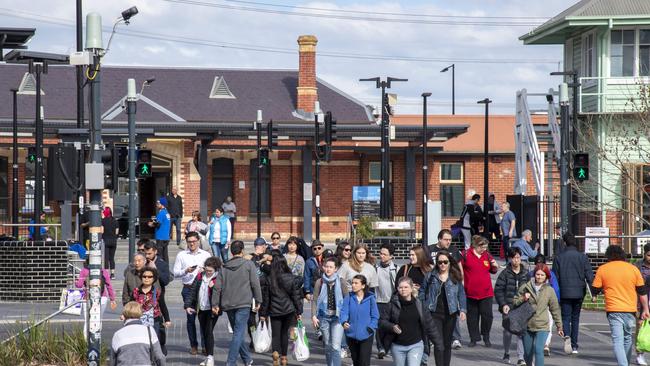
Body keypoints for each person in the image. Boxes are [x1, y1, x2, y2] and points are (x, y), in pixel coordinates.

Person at [592, 244, 650, 366]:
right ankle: (625, 363)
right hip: (630, 309)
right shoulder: (633, 269)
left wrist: (597, 294)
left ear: (608, 256)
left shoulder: (603, 269)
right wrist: (645, 309)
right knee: (628, 337)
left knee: (618, 339)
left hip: (613, 309)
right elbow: (642, 291)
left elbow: (595, 289)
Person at [213, 240, 263, 366]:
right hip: (244, 303)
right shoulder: (248, 264)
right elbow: (255, 284)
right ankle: (230, 362)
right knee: (238, 333)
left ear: (231, 251)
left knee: (237, 332)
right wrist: (259, 300)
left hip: (228, 304)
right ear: (242, 250)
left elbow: (217, 287)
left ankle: (247, 359)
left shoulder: (224, 267)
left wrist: (215, 304)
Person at [513, 263, 564, 366]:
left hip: (542, 325)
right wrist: (523, 298)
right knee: (528, 353)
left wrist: (559, 326)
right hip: (527, 324)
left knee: (538, 350)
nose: (539, 277)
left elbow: (555, 309)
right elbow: (514, 302)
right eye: (537, 274)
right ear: (534, 275)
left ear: (546, 277)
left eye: (542, 275)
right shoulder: (525, 287)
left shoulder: (549, 290)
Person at [552, 232, 593, 356]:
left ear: (564, 242)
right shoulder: (583, 257)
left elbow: (554, 277)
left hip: (564, 292)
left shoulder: (559, 257)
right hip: (579, 292)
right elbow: (589, 275)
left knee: (565, 317)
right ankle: (575, 346)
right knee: (576, 318)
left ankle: (567, 336)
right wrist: (594, 292)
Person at [381, 276, 438, 366]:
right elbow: (382, 322)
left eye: (406, 287)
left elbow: (429, 324)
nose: (403, 289)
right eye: (400, 287)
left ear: (411, 288)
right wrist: (392, 327)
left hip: (416, 345)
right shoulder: (391, 305)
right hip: (397, 346)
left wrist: (437, 342)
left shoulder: (419, 304)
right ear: (397, 289)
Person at [172, 231, 212, 355]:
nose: (192, 244)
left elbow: (213, 270)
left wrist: (205, 270)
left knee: (204, 319)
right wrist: (186, 271)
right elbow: (175, 273)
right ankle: (193, 345)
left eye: (194, 241)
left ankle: (205, 346)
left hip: (202, 289)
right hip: (188, 289)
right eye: (189, 242)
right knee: (190, 319)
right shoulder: (181, 255)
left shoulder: (205, 255)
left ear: (198, 241)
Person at [260, 254, 304, 366]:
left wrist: (263, 313)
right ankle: (284, 358)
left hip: (274, 311)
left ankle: (275, 353)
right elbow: (296, 297)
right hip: (288, 310)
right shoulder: (291, 278)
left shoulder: (269, 279)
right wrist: (299, 312)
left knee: (275, 334)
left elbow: (266, 299)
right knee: (284, 334)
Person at [428, 229, 463, 349]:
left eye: (450, 240)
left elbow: (459, 266)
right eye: (446, 239)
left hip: (451, 283)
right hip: (435, 284)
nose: (448, 242)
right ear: (439, 239)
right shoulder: (430, 249)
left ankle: (456, 338)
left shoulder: (453, 250)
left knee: (453, 310)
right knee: (434, 313)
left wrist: (461, 281)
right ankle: (434, 339)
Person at [184, 256, 222, 366]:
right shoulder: (200, 276)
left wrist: (214, 287)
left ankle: (210, 357)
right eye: (207, 270)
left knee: (208, 331)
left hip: (213, 309)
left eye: (211, 271)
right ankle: (208, 357)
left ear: (216, 270)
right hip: (201, 308)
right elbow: (192, 291)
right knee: (205, 332)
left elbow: (223, 293)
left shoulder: (219, 278)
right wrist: (187, 305)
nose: (208, 272)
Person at [462, 235, 498, 347]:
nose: (484, 250)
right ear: (476, 246)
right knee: (472, 317)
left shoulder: (487, 255)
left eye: (485, 247)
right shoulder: (466, 254)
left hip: (486, 292)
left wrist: (495, 266)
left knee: (487, 316)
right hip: (470, 292)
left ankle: (486, 336)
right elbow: (459, 269)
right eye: (482, 247)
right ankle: (474, 338)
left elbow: (493, 270)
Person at [312, 256, 348, 366]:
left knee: (336, 346)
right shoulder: (320, 282)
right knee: (328, 345)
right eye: (326, 267)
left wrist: (346, 317)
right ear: (323, 267)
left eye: (331, 267)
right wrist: (313, 316)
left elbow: (347, 300)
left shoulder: (341, 282)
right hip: (324, 317)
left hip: (337, 318)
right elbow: (315, 299)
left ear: (335, 269)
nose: (328, 269)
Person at [494, 247, 528, 365]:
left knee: (521, 332)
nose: (516, 260)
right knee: (508, 331)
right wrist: (503, 304)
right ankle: (506, 352)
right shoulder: (505, 274)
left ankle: (520, 357)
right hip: (508, 306)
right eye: (513, 258)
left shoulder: (525, 273)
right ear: (510, 259)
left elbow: (530, 288)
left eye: (518, 257)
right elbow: (498, 290)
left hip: (522, 306)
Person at [111, 301, 166, 366]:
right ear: (141, 313)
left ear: (124, 314)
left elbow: (113, 361)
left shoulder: (117, 335)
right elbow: (159, 357)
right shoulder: (149, 331)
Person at [341, 274, 379, 366]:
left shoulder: (370, 298)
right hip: (351, 334)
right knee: (356, 361)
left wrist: (371, 327)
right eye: (352, 283)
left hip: (366, 335)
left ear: (363, 285)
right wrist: (344, 322)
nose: (353, 285)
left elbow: (375, 316)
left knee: (364, 362)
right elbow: (344, 312)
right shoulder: (348, 297)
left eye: (356, 283)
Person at [76, 256, 117, 339]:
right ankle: (97, 339)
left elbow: (79, 285)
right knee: (98, 319)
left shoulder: (84, 271)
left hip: (87, 297)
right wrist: (112, 299)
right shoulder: (103, 271)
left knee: (87, 320)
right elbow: (109, 285)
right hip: (102, 297)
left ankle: (86, 340)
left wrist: (76, 281)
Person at [374, 242, 398, 359]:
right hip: (378, 301)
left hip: (391, 303)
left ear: (391, 256)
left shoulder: (395, 269)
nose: (381, 256)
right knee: (378, 327)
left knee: (391, 328)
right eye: (380, 253)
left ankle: (385, 347)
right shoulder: (375, 268)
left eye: (384, 254)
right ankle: (380, 348)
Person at [636, 243, 650, 366]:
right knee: (641, 329)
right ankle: (640, 354)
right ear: (644, 254)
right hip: (640, 302)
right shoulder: (637, 266)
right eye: (649, 255)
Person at [148, 198, 171, 264]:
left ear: (162, 204)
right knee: (165, 255)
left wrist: (151, 224)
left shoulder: (161, 213)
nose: (157, 205)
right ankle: (166, 269)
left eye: (158, 203)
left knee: (160, 255)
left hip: (160, 237)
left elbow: (158, 224)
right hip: (166, 237)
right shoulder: (167, 213)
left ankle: (160, 270)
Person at [102, 207, 119, 279]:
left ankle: (106, 274)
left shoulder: (103, 221)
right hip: (113, 241)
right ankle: (112, 274)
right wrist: (114, 237)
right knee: (112, 258)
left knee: (106, 258)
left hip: (106, 241)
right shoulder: (115, 221)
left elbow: (102, 231)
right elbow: (117, 232)